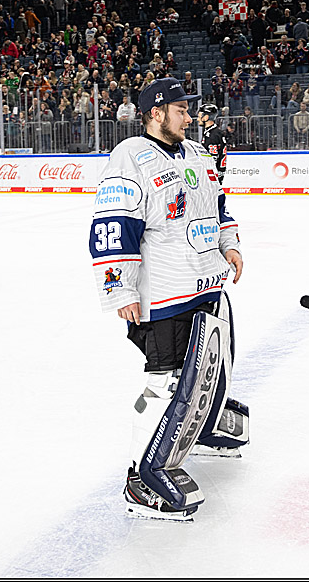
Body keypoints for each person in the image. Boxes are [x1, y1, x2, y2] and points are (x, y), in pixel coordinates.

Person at [89, 77, 248, 521]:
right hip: (162, 294)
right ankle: (141, 479)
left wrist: (229, 242)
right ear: (156, 113)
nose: (190, 115)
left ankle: (206, 428)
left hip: (206, 282)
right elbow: (113, 224)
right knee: (164, 383)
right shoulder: (129, 158)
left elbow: (218, 206)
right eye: (181, 109)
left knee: (212, 370)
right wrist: (119, 286)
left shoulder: (197, 153)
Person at [202, 104, 235, 183]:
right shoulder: (217, 133)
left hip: (213, 178)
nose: (197, 119)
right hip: (219, 174)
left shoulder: (212, 135)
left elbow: (212, 159)